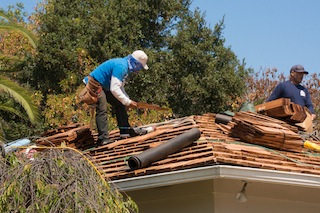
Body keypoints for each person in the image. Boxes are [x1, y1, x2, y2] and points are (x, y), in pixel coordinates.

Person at [83, 50, 149, 146]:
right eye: (139, 67)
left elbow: (120, 87)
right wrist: (127, 101)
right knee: (102, 108)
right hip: (95, 84)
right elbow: (114, 88)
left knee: (120, 104)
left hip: (105, 86)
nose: (139, 70)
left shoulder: (124, 67)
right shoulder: (121, 66)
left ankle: (125, 131)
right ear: (135, 63)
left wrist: (128, 100)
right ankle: (102, 139)